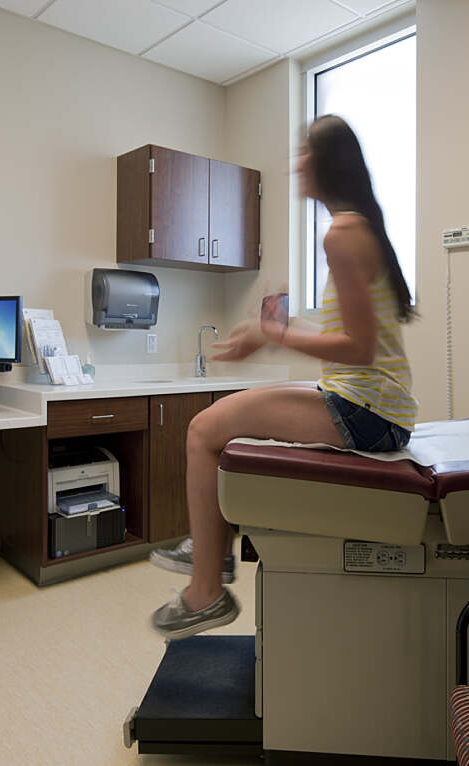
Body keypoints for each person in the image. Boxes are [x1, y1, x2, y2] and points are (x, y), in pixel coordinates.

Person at [149, 115, 417, 639]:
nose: (296, 164)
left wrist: (274, 334)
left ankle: (205, 591)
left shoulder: (342, 233)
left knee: (203, 430)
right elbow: (355, 340)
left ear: (327, 162)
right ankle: (212, 550)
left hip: (367, 413)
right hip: (374, 406)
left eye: (304, 152)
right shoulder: (359, 227)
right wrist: (278, 329)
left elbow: (358, 349)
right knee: (225, 420)